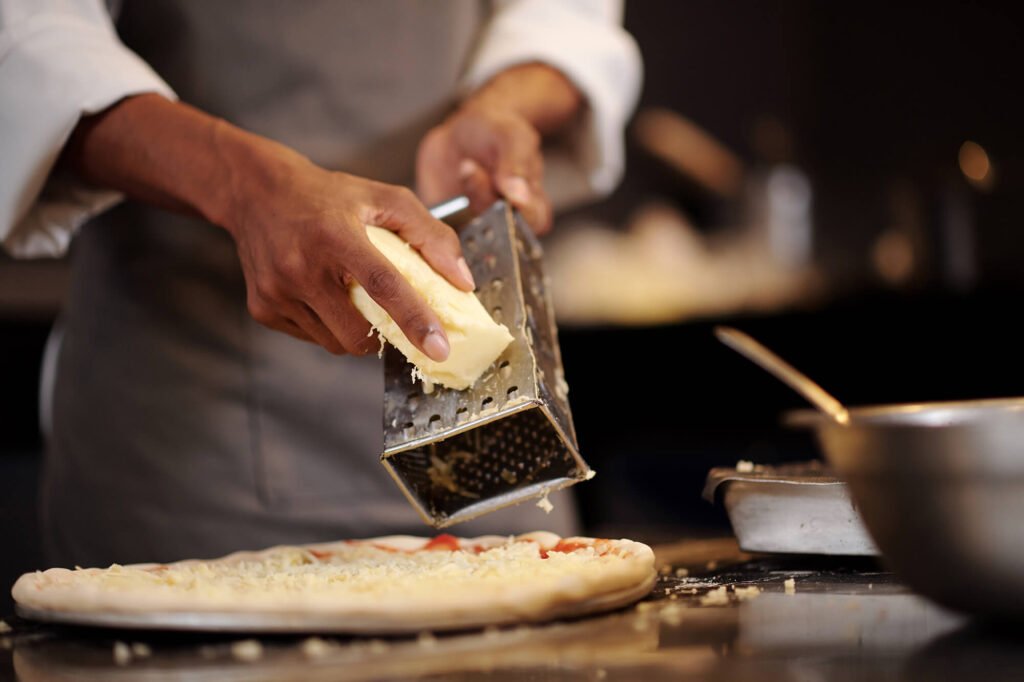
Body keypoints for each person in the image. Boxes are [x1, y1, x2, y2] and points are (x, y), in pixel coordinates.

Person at [0, 0, 641, 568]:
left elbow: (566, 13)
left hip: (499, 456)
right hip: (198, 446)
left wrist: (503, 104)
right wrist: (245, 188)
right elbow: (29, 44)